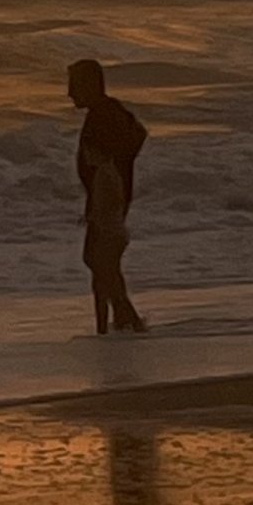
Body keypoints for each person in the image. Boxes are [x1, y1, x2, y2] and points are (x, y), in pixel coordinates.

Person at [66, 56, 149, 333]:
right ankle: (114, 320)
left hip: (108, 202)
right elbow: (137, 133)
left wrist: (113, 166)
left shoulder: (104, 113)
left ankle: (126, 317)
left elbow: (132, 139)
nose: (69, 93)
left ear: (91, 84)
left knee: (99, 260)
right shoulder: (107, 111)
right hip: (107, 200)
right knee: (101, 261)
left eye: (74, 85)